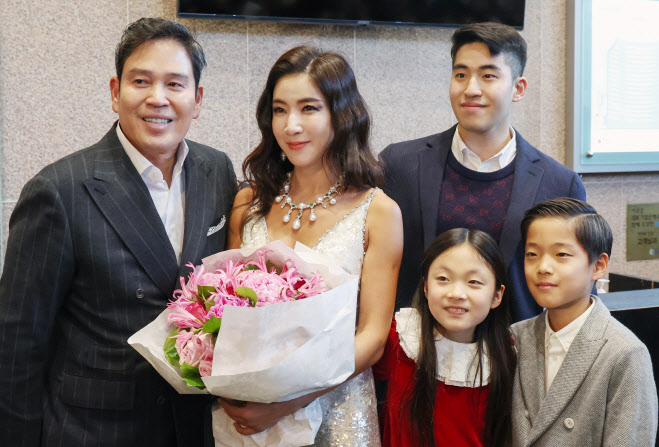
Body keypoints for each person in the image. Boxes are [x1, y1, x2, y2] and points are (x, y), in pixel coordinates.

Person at [0, 18, 238, 447]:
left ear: (197, 99)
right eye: (141, 81)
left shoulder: (217, 170)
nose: (157, 98)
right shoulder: (59, 191)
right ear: (115, 92)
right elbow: (17, 345)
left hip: (193, 429)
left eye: (175, 84)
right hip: (92, 430)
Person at [224, 45, 403, 445]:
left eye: (309, 108)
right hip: (252, 413)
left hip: (338, 411)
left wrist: (290, 401)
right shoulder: (248, 203)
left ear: (341, 115)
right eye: (280, 110)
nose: (291, 126)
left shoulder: (378, 212)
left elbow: (372, 338)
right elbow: (227, 314)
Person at [380, 22, 586, 322]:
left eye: (488, 76)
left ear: (518, 89)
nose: (471, 89)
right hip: (414, 345)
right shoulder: (399, 164)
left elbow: (573, 293)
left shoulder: (559, 183)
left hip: (515, 347)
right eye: (461, 75)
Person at [512, 198, 658, 446]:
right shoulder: (515, 339)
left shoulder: (624, 353)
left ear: (598, 265)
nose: (543, 267)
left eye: (561, 254)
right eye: (532, 254)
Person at [373, 228, 515, 447]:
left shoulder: (508, 356)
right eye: (443, 278)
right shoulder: (400, 338)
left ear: (497, 295)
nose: (456, 293)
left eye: (474, 282)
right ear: (426, 287)